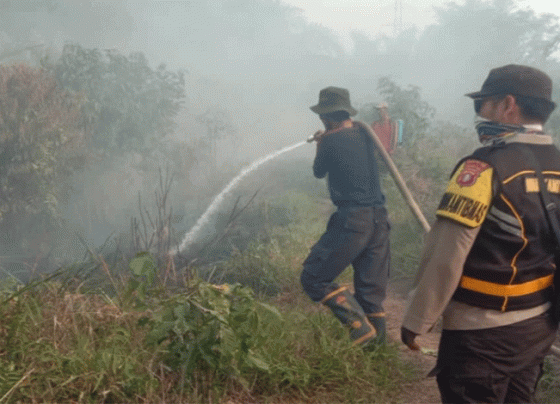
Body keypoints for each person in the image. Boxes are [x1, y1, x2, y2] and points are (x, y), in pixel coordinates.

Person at [401, 64, 560, 403]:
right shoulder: (556, 162)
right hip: (539, 324)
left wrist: (418, 319)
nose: (478, 114)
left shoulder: (482, 167)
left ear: (507, 106)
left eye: (482, 104)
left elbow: (447, 255)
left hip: (481, 331)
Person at [300, 86, 391, 347]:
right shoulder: (366, 135)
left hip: (353, 221)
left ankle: (361, 331)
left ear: (325, 117)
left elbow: (319, 171)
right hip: (379, 221)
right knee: (371, 292)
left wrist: (321, 142)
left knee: (314, 278)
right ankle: (377, 356)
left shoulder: (329, 141)